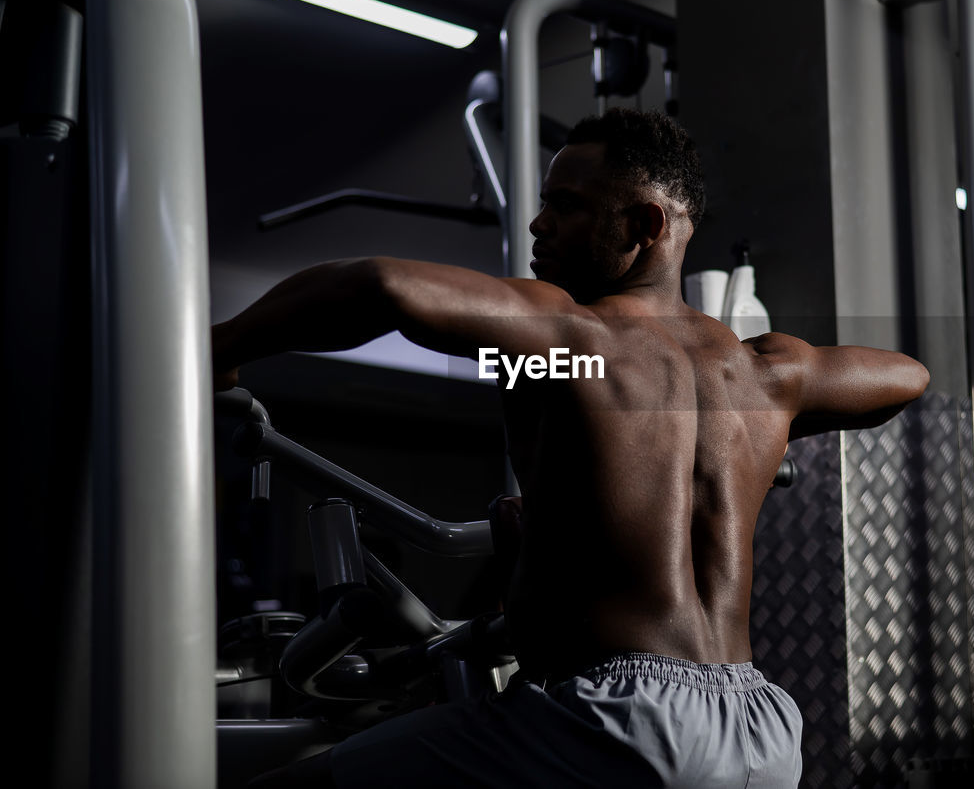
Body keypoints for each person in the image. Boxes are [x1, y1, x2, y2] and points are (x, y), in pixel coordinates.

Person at [218, 108, 929, 787]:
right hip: (761, 729)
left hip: (623, 725)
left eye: (567, 204)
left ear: (646, 225)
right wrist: (768, 431)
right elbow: (909, 377)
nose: (538, 222)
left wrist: (217, 350)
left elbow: (376, 288)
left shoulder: (576, 341)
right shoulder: (764, 375)